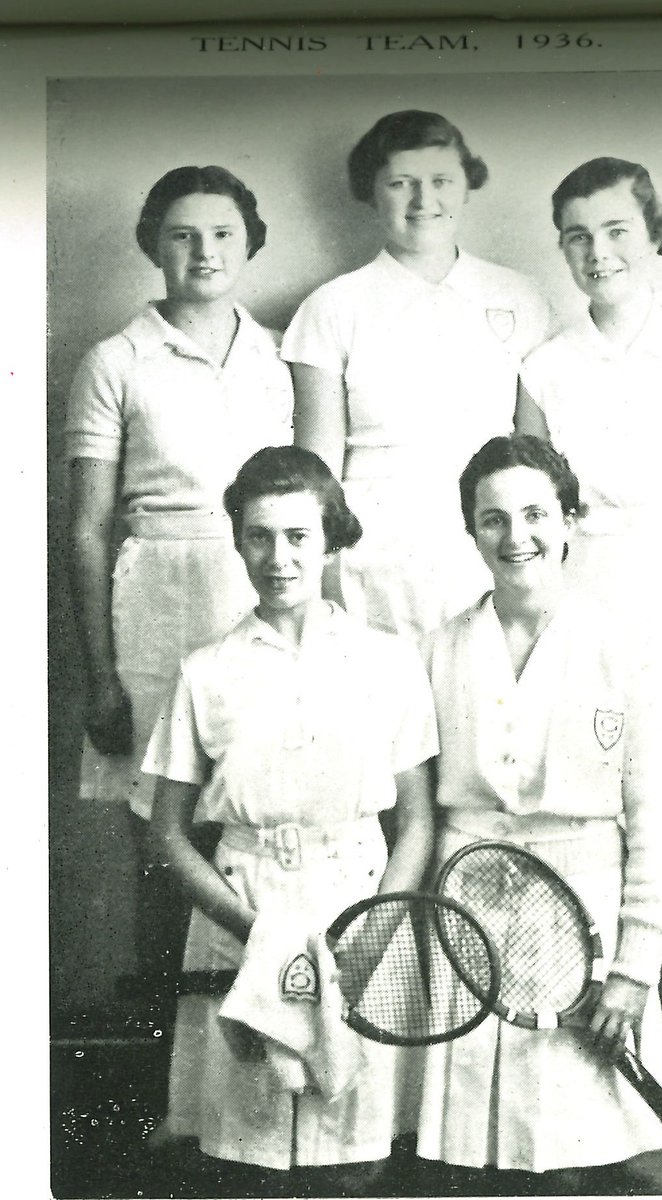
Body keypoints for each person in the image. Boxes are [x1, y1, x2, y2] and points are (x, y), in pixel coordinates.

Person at [517, 157, 662, 1157]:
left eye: (613, 229)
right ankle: (638, 1074)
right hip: (596, 629)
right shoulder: (543, 369)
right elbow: (532, 519)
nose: (595, 251)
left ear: (651, 231)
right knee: (617, 864)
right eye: (575, 235)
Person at [144, 445, 437, 1190]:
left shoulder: (388, 662)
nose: (278, 558)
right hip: (240, 912)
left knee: (356, 1160)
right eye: (259, 537)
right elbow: (168, 833)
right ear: (238, 540)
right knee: (250, 1158)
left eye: (298, 536)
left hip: (359, 914)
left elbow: (418, 823)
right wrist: (253, 931)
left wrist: (371, 930)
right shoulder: (205, 671)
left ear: (332, 538)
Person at [416, 434, 662, 1192]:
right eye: (492, 519)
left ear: (570, 521)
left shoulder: (624, 647)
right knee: (474, 1166)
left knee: (580, 1168)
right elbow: (416, 814)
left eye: (535, 513)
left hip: (585, 931)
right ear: (471, 532)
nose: (516, 536)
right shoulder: (435, 651)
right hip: (467, 922)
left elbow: (654, 818)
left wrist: (633, 968)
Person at [65, 165, 294, 977]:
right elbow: (90, 531)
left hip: (258, 594)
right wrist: (101, 677)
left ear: (250, 243)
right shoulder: (116, 360)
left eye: (223, 233)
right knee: (165, 843)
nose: (204, 251)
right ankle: (163, 1069)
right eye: (183, 234)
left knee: (255, 825)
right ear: (154, 245)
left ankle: (236, 1058)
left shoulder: (278, 358)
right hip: (157, 606)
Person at [282, 109, 552, 642]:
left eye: (441, 182)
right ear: (372, 193)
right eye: (401, 183)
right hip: (375, 566)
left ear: (466, 187)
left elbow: (535, 451)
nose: (423, 201)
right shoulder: (332, 307)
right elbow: (317, 474)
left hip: (493, 549)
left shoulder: (519, 297)